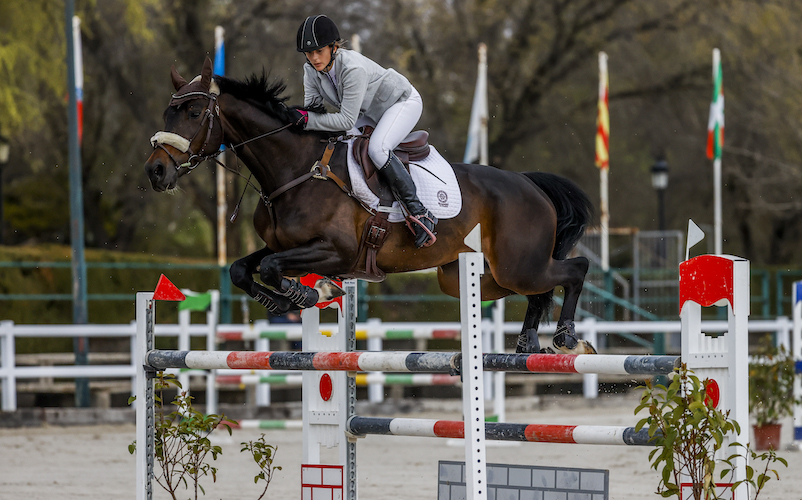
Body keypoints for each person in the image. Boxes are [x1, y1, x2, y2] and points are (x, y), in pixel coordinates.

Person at [291, 14, 437, 248]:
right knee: (343, 147)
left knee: (378, 149)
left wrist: (306, 120)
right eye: (309, 53)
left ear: (333, 46)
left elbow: (344, 119)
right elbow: (313, 111)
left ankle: (420, 213)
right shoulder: (310, 70)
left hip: (401, 102)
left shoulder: (352, 68)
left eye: (319, 51)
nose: (314, 58)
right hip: (368, 110)